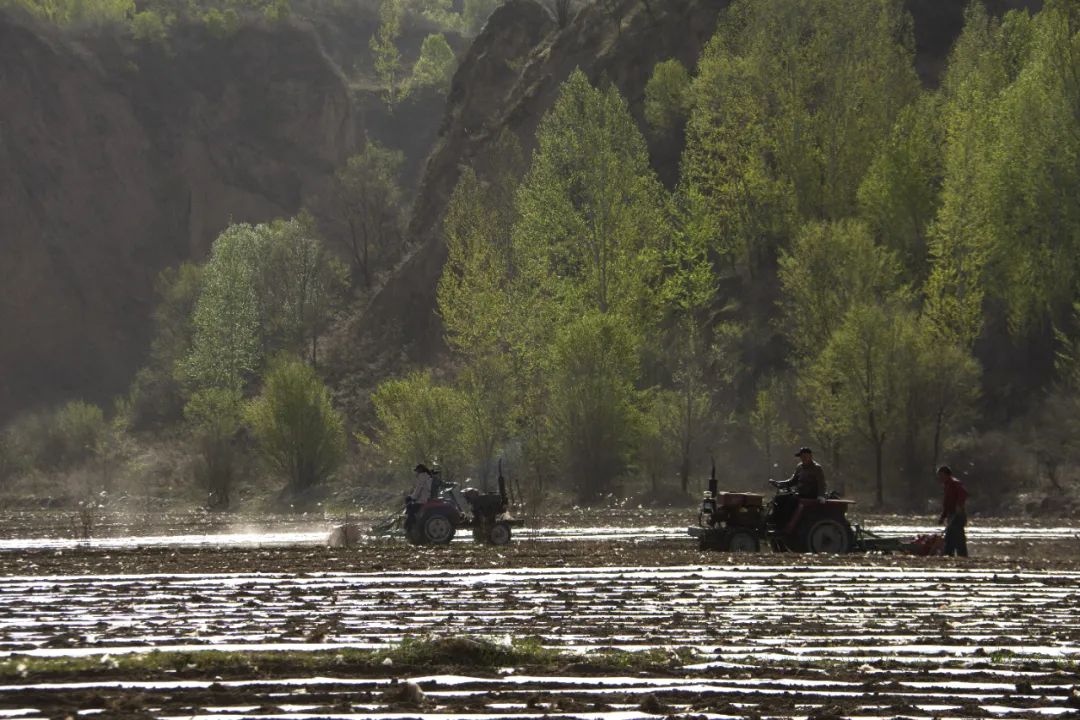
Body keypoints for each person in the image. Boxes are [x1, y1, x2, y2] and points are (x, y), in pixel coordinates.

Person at [771, 447, 827, 530]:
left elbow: (822, 484)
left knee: (790, 502)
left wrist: (821, 496)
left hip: (810, 495)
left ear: (810, 456)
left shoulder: (817, 468)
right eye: (801, 456)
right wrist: (779, 483)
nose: (803, 458)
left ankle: (785, 525)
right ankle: (775, 522)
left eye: (805, 456)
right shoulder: (800, 467)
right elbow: (792, 481)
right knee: (779, 499)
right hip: (800, 493)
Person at [938, 465, 968, 557]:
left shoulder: (955, 483)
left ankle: (962, 556)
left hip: (958, 515)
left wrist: (959, 506)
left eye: (941, 475)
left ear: (946, 474)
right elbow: (946, 504)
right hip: (951, 515)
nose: (940, 478)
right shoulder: (946, 485)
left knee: (958, 538)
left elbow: (963, 494)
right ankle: (948, 555)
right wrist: (943, 517)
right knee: (949, 538)